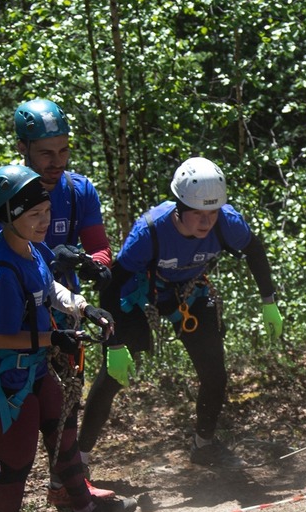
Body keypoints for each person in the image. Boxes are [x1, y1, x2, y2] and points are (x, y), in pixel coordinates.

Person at [0, 165, 136, 512]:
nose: (45, 222)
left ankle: (84, 511)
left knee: (65, 436)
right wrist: (53, 338)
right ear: (9, 217)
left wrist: (82, 306)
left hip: (36, 368)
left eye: (46, 211)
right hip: (9, 377)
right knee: (17, 460)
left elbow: (51, 286)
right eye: (34, 215)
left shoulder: (32, 247)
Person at [80, 157, 283, 469]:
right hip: (137, 295)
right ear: (178, 207)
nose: (206, 222)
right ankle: (78, 458)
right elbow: (111, 284)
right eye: (198, 214)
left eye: (212, 213)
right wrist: (115, 344)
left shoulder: (227, 224)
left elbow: (254, 250)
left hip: (189, 293)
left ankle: (204, 446)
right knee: (112, 377)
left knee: (215, 373)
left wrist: (269, 301)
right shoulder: (149, 232)